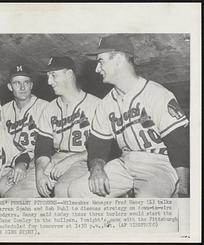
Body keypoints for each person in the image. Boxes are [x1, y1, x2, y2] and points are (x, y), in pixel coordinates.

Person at [68, 34, 190, 198]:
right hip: (125, 163)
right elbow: (97, 145)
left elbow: (179, 145)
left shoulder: (157, 94)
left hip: (159, 164)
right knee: (77, 190)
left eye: (101, 61)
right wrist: (97, 168)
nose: (97, 69)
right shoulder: (105, 105)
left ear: (118, 59)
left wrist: (183, 191)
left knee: (146, 201)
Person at [35, 56, 101, 197]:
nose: (49, 82)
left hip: (84, 160)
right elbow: (43, 149)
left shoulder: (97, 105)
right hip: (56, 159)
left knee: (62, 190)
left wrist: (72, 159)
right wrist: (40, 174)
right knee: (15, 193)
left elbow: (107, 147)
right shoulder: (49, 108)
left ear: (69, 74)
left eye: (53, 75)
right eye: (48, 76)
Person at [0, 64, 48, 197]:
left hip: (38, 160)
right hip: (14, 161)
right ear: (10, 87)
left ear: (31, 85)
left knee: (11, 195)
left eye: (26, 82)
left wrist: (26, 164)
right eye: (17, 83)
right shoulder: (3, 111)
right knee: (1, 187)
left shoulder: (45, 107)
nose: (22, 87)